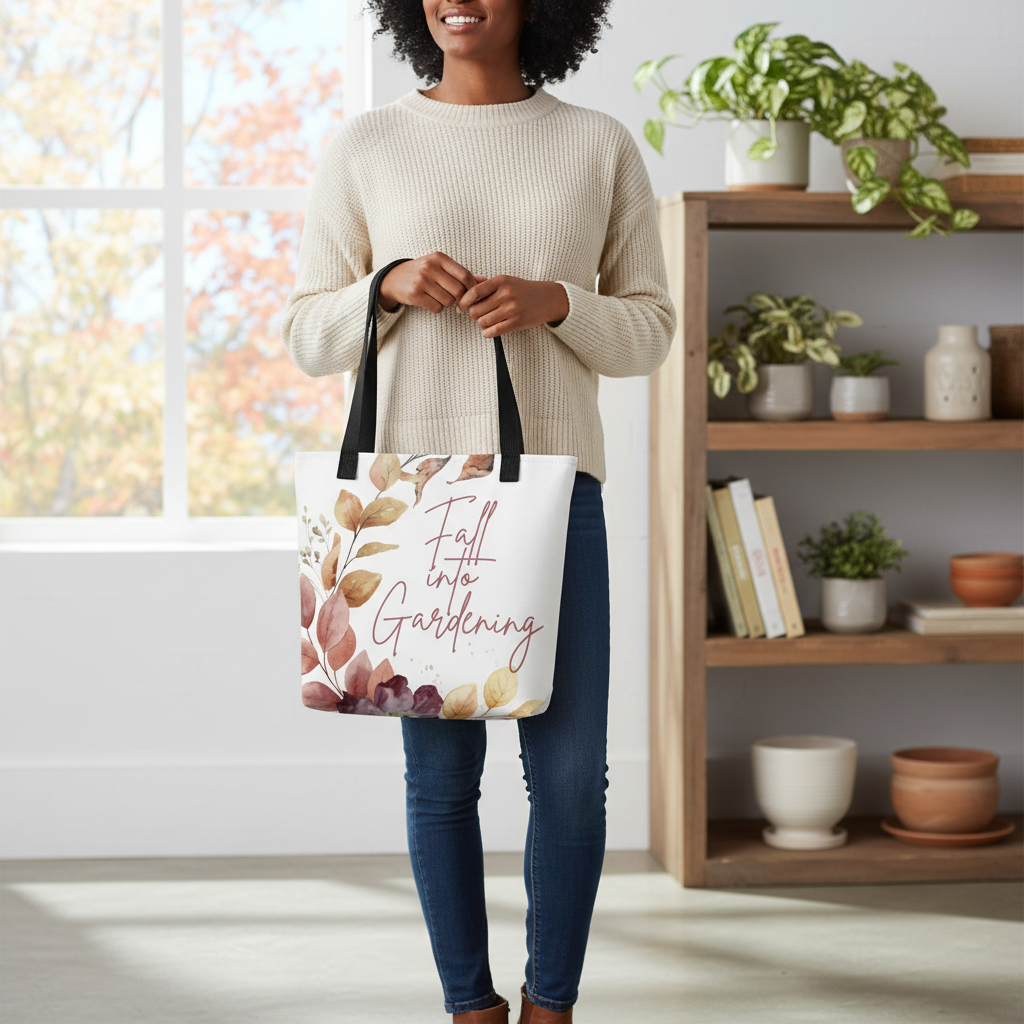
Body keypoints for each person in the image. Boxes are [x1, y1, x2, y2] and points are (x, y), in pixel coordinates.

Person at [280, 1, 676, 1020]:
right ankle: (470, 1008)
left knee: (572, 776)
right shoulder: (367, 144)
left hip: (552, 492)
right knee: (441, 778)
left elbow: (648, 335)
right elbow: (305, 335)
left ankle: (552, 1006)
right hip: (414, 504)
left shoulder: (595, 145)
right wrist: (385, 286)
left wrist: (559, 304)